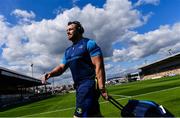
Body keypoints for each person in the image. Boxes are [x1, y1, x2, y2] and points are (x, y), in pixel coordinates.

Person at [41, 21, 108, 117]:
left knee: (78, 116)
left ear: (79, 30)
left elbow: (99, 66)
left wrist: (102, 87)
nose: (68, 32)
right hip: (78, 86)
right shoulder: (68, 51)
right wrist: (50, 74)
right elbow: (61, 68)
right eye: (67, 30)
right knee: (95, 115)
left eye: (70, 29)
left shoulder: (89, 44)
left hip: (89, 85)